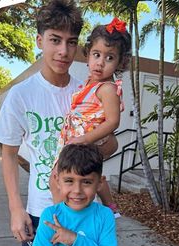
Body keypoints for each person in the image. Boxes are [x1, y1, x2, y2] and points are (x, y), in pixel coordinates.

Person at [0, 1, 84, 246]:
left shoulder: (85, 93)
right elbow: (8, 154)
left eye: (71, 42)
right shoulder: (21, 95)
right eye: (55, 40)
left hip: (82, 207)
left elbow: (106, 146)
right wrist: (15, 209)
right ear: (40, 40)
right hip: (40, 209)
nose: (63, 51)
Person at [49, 17, 132, 216]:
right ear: (88, 56)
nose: (100, 63)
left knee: (60, 180)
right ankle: (71, 217)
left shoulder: (107, 88)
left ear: (120, 62)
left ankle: (65, 220)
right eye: (96, 54)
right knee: (59, 180)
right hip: (76, 140)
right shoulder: (88, 85)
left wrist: (85, 140)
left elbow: (113, 121)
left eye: (110, 58)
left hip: (86, 140)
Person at [31, 143, 122, 246]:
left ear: (99, 183)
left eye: (86, 182)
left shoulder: (105, 215)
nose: (77, 190)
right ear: (57, 180)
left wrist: (74, 240)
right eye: (69, 181)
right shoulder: (51, 216)